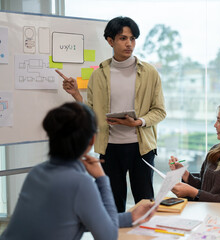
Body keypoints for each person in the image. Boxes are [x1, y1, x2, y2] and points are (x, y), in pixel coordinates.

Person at [56, 16, 166, 212]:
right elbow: (92, 113)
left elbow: (159, 111)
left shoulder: (150, 72)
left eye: (132, 39)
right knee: (112, 205)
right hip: (110, 149)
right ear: (110, 41)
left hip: (142, 149)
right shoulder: (99, 74)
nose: (129, 44)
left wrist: (139, 122)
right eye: (123, 38)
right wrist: (75, 95)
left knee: (145, 204)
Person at [0, 102, 155, 240]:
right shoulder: (81, 183)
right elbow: (108, 235)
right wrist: (102, 178)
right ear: (92, 140)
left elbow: (73, 220)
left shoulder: (37, 172)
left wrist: (130, 217)